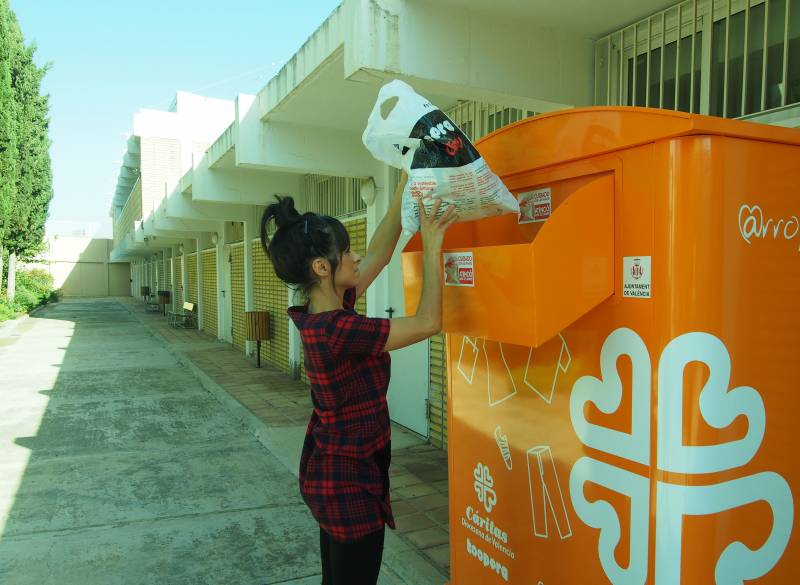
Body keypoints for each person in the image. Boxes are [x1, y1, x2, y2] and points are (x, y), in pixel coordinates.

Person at [259, 173, 456, 585]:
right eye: (345, 253)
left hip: (336, 471)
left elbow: (380, 254)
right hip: (348, 483)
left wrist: (404, 185)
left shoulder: (326, 311)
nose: (354, 258)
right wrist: (435, 244)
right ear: (321, 267)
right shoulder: (337, 331)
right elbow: (428, 322)